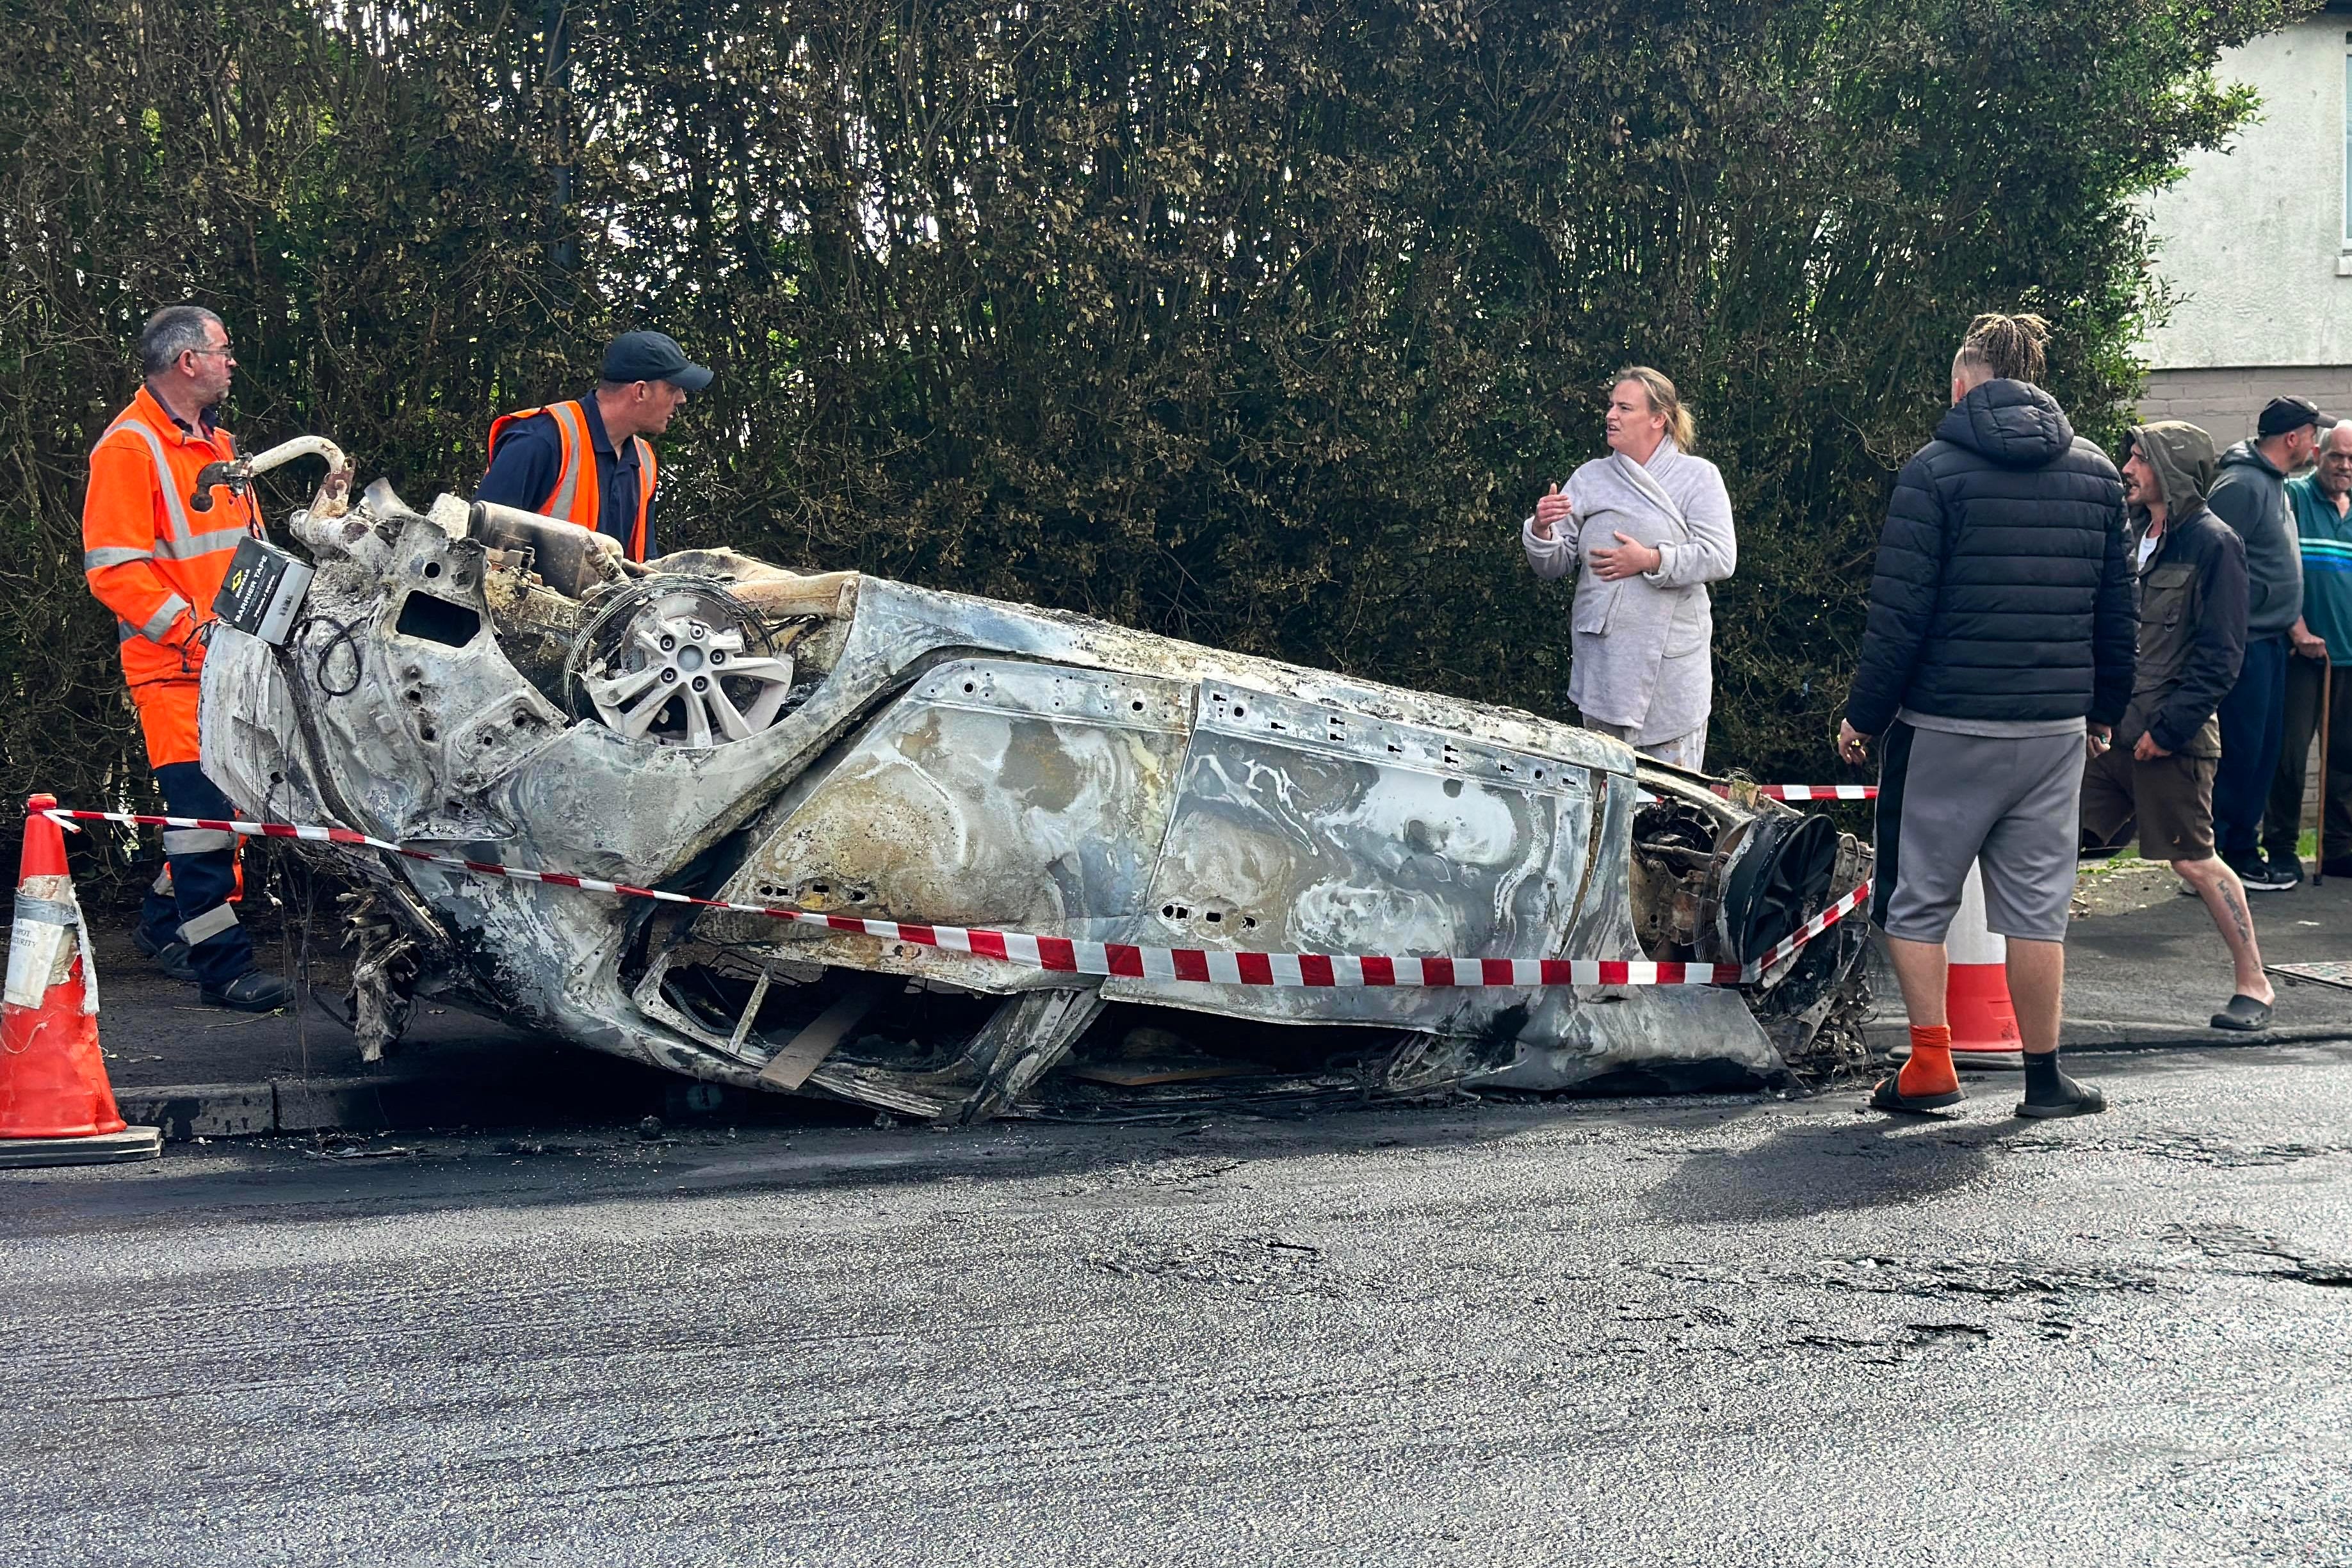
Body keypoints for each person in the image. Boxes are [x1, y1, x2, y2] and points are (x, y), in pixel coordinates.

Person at [1837, 312, 2133, 1119]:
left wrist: (1865, 715)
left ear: (1964, 382)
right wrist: (2104, 709)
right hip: (2053, 730)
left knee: (1917, 899)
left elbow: (1898, 614)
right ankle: (2044, 1079)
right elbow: (2118, 610)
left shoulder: (1932, 473)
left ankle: (1930, 1066)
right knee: (2037, 908)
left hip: (1949, 724)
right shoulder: (2099, 472)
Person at [80, 305, 294, 1013]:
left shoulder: (219, 447)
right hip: (176, 673)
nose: (232, 361)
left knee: (227, 812)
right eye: (223, 350)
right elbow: (114, 569)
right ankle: (223, 969)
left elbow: (244, 560)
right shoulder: (129, 448)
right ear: (187, 362)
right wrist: (193, 632)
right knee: (204, 822)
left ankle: (163, 926)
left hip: (232, 668)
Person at [2080, 421, 2276, 1030]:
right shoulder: (2133, 533)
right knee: (2048, 842)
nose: (2127, 467)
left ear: (2170, 469)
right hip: (2113, 734)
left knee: (2193, 860)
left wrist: (2166, 731)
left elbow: (2220, 656)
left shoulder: (2214, 543)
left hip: (2172, 743)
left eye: (2139, 458)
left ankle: (2255, 983)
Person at [1521, 366, 1735, 771]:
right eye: (1610, 405)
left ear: (1659, 418)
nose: (1610, 415)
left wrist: (1651, 559)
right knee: (1602, 804)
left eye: (1624, 407)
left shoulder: (1699, 478)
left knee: (1669, 817)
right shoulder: (1590, 477)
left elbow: (1721, 556)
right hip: (1605, 664)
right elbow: (1554, 564)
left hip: (1671, 670)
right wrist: (1542, 528)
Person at [2205, 396, 2323, 890]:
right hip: (2244, 643)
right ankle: (2221, 857)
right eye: (2313, 436)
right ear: (2292, 438)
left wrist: (2293, 627)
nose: (2316, 446)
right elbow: (2212, 561)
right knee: (2242, 750)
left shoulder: (2275, 485)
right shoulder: (2240, 484)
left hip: (2274, 640)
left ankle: (2241, 848)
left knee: (2264, 750)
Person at [478, 330, 713, 562]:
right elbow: (479, 546)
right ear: (640, 391)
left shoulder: (645, 463)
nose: (682, 399)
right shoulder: (543, 440)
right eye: (672, 389)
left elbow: (642, 564)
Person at [2262, 419, 2352, 878]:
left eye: (2351, 459)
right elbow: (2276, 567)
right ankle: (2279, 847)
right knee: (2289, 758)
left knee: (2345, 763)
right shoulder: (2293, 498)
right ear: (2317, 453)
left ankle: (2337, 850)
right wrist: (2297, 628)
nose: (2344, 466)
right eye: (2336, 455)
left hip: (2348, 661)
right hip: (2301, 655)